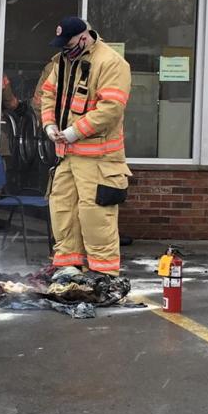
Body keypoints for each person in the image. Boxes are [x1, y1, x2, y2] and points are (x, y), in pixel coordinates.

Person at [39, 17, 131, 279]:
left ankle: (103, 275)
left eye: (67, 44)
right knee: (63, 211)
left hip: (99, 158)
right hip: (67, 155)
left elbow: (111, 109)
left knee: (95, 216)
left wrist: (74, 132)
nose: (63, 50)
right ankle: (68, 266)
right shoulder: (63, 62)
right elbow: (48, 95)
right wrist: (49, 126)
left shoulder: (111, 63)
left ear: (84, 37)